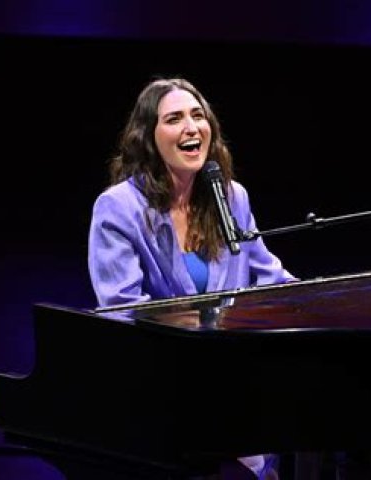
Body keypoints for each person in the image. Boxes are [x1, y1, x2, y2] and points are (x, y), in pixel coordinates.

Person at [87, 77, 295, 479]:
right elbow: (120, 309)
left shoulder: (230, 197)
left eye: (198, 116)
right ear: (148, 138)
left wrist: (327, 301)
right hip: (160, 389)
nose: (191, 127)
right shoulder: (119, 207)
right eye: (174, 119)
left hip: (232, 384)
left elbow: (270, 277)